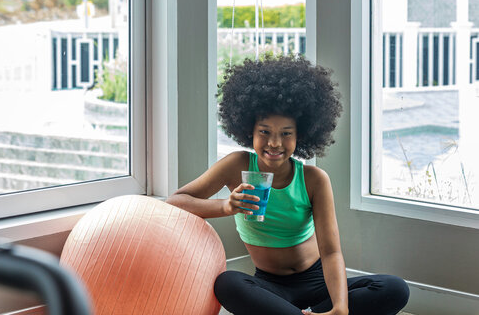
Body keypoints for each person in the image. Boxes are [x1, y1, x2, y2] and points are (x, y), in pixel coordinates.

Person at [166, 54, 409, 315]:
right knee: (228, 283)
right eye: (265, 132)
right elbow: (176, 203)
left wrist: (340, 306)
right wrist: (225, 206)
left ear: (301, 135)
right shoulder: (237, 166)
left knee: (394, 288)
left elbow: (330, 252)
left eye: (286, 134)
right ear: (249, 130)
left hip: (318, 283)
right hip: (270, 287)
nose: (274, 143)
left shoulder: (314, 179)